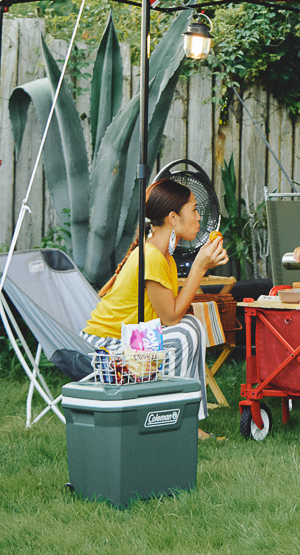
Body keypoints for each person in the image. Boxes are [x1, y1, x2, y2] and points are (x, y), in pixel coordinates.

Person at [82, 178, 229, 439]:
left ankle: (185, 419)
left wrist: (200, 267)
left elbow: (170, 316)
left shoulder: (163, 257)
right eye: (194, 210)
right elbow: (171, 318)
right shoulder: (151, 257)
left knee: (192, 325)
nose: (199, 217)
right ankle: (177, 422)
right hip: (106, 347)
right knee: (185, 332)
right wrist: (199, 267)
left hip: (133, 338)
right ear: (173, 218)